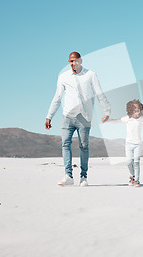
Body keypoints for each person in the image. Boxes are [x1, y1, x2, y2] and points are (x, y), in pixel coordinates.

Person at [45, 52, 111, 187]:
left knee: (84, 147)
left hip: (84, 117)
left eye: (75, 61)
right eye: (70, 61)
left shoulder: (91, 75)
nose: (73, 64)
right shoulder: (63, 77)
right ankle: (68, 175)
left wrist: (107, 110)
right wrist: (49, 116)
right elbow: (57, 98)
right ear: (68, 62)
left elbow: (99, 93)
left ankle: (83, 177)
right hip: (67, 117)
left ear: (80, 61)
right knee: (65, 144)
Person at [107, 99, 143, 187]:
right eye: (134, 108)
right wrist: (108, 120)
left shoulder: (141, 119)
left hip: (138, 144)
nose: (137, 109)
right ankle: (132, 175)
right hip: (128, 144)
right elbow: (116, 121)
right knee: (129, 162)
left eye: (138, 108)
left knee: (136, 162)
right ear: (130, 109)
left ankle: (136, 180)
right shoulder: (127, 118)